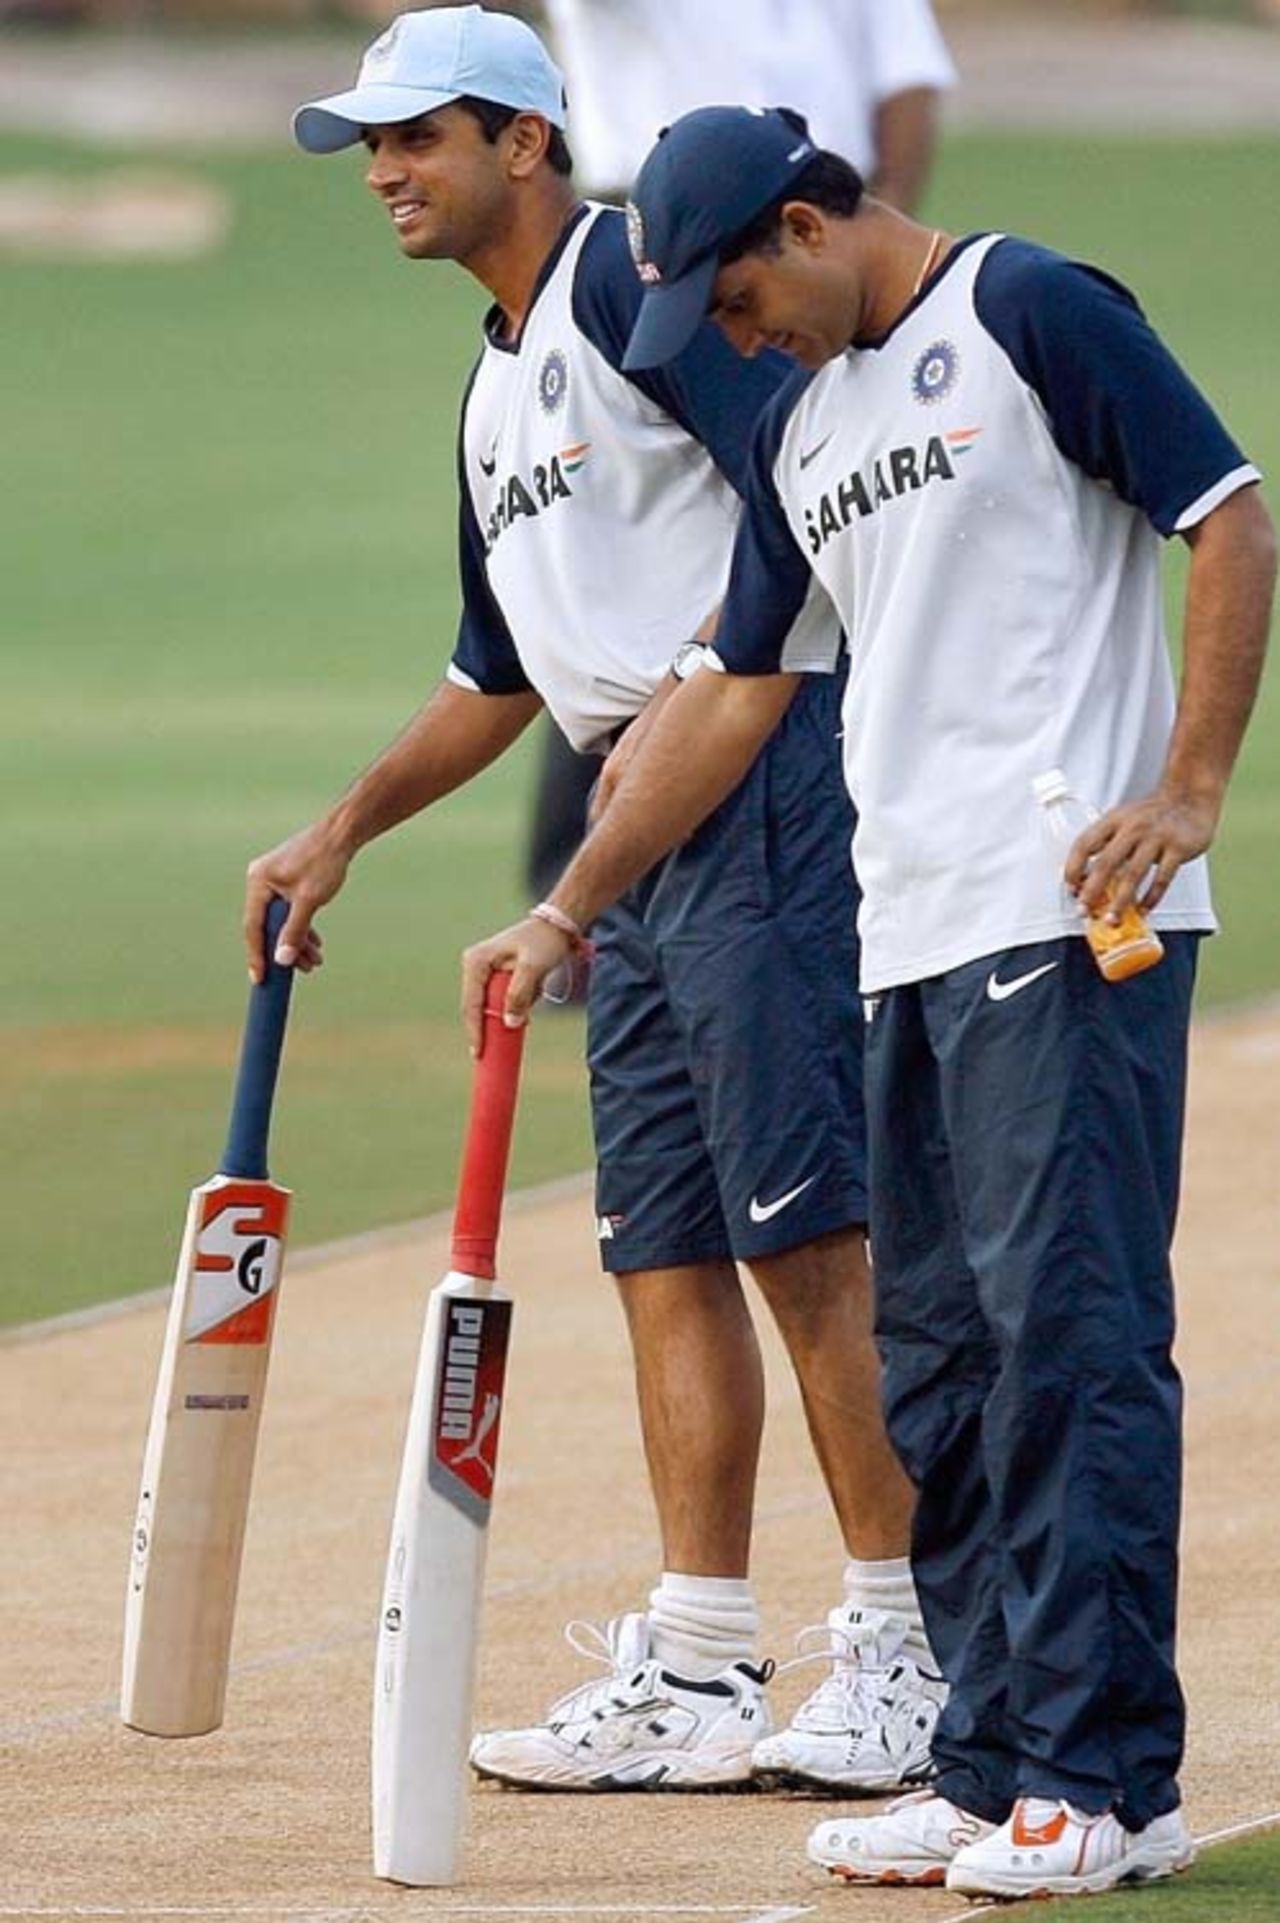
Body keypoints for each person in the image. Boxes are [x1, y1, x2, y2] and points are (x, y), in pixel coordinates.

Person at [460, 106, 1276, 1897]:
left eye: (745, 295)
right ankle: (987, 1761)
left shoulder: (1032, 306)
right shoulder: (809, 425)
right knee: (941, 1361)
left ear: (816, 219)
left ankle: (1104, 1780)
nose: (739, 341)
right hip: (900, 938)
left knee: (1069, 1346)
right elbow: (740, 687)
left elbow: (1226, 517)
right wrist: (565, 910)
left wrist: (1195, 784)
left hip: (1071, 917)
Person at [246, 10, 941, 1796]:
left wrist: (750, 686)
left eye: (419, 139)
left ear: (526, 142)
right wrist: (341, 833)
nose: (387, 175)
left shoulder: (652, 294)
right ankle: (704, 1654)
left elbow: (810, 483)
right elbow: (494, 670)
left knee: (806, 1235)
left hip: (753, 780)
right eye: (373, 149)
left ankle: (906, 1643)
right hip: (628, 814)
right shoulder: (496, 379)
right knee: (665, 1248)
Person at [524, 0, 955, 920]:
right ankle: (595, 885)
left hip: (816, 234)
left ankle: (793, 853)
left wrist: (880, 263)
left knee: (814, 511)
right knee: (636, 552)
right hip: (642, 241)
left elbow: (909, 83)